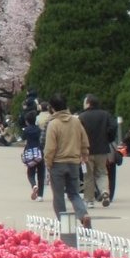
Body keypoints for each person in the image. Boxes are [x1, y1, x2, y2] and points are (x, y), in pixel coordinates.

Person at [43, 93, 91, 229]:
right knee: (74, 193)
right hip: (74, 162)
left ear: (52, 108)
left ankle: (65, 226)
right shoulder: (76, 121)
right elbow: (84, 139)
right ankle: (83, 215)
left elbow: (50, 148)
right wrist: (84, 153)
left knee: (58, 196)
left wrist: (48, 162)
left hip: (58, 164)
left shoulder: (54, 124)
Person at [77, 94, 116, 208]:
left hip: (87, 150)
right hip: (102, 148)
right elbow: (113, 127)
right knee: (102, 172)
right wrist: (108, 138)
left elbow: (78, 134)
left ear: (88, 103)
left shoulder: (82, 117)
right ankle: (104, 191)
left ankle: (89, 200)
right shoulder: (105, 114)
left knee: (88, 175)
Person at [21, 111, 46, 202]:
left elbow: (22, 138)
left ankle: (34, 185)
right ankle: (40, 196)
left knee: (30, 173)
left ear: (27, 121)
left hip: (29, 152)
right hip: (39, 152)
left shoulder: (26, 130)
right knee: (41, 174)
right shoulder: (39, 129)